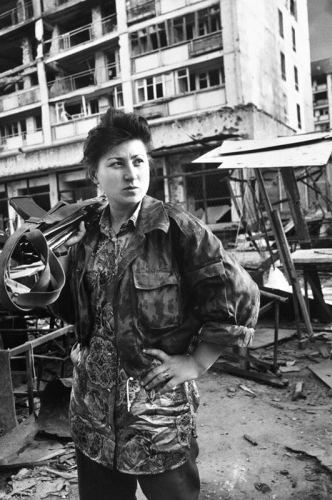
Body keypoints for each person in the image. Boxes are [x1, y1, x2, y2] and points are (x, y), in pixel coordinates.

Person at [50, 108, 260, 500]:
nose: (131, 173)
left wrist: (197, 362)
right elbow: (76, 308)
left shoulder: (176, 228)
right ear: (95, 174)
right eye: (116, 163)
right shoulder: (86, 234)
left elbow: (239, 295)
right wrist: (49, 280)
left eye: (138, 161)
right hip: (93, 413)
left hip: (156, 417)